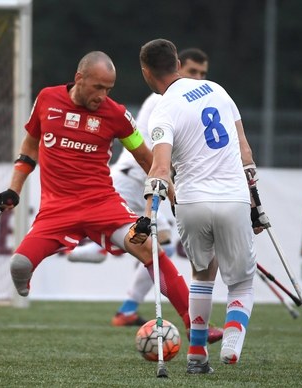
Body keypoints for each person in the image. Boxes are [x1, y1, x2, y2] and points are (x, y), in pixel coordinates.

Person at [0, 51, 222, 343]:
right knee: (19, 264)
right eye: (98, 87)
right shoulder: (47, 99)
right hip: (57, 210)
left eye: (109, 89)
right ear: (79, 78)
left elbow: (145, 156)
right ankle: (31, 274)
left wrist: (173, 192)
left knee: (151, 249)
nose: (103, 96)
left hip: (103, 205)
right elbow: (29, 146)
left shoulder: (115, 114)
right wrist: (15, 187)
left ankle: (194, 326)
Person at [135, 38, 266, 374]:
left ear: (146, 72)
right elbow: (246, 154)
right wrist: (256, 204)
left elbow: (161, 169)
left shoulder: (161, 111)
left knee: (202, 274)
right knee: (241, 281)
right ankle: (233, 339)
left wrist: (150, 212)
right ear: (178, 62)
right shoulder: (216, 90)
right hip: (232, 197)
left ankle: (196, 355)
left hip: (191, 201)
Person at [67, 48, 210, 327]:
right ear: (179, 68)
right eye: (192, 71)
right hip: (134, 180)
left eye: (203, 74)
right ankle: (85, 250)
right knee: (155, 246)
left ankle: (127, 309)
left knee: (161, 248)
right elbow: (158, 150)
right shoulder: (162, 99)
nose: (198, 78)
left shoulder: (190, 100)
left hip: (149, 182)